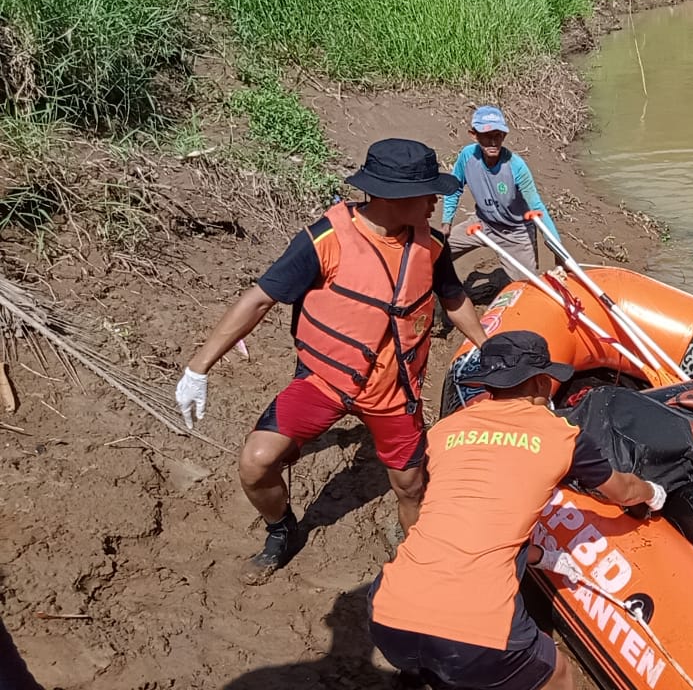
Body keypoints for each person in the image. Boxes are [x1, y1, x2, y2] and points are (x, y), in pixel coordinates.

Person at [175, 138, 489, 585]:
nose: (436, 201)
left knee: (411, 486)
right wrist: (197, 368)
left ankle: (422, 568)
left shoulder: (432, 247)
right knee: (256, 462)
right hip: (324, 380)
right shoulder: (325, 240)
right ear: (392, 196)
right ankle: (282, 529)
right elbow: (260, 299)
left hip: (393, 389)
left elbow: (453, 297)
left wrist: (484, 344)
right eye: (427, 192)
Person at [367, 330, 666, 690]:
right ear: (541, 382)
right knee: (558, 672)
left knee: (442, 659)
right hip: (476, 637)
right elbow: (622, 490)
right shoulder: (561, 436)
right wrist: (654, 493)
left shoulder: (445, 431)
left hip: (386, 615)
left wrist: (537, 554)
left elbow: (467, 518)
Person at [440, 105, 563, 279]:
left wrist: (557, 247)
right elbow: (454, 188)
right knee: (436, 252)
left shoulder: (516, 166)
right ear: (474, 135)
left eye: (497, 136)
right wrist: (447, 222)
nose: (493, 142)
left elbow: (536, 206)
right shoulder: (467, 157)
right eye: (487, 136)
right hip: (482, 223)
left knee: (526, 286)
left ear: (504, 135)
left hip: (515, 231)